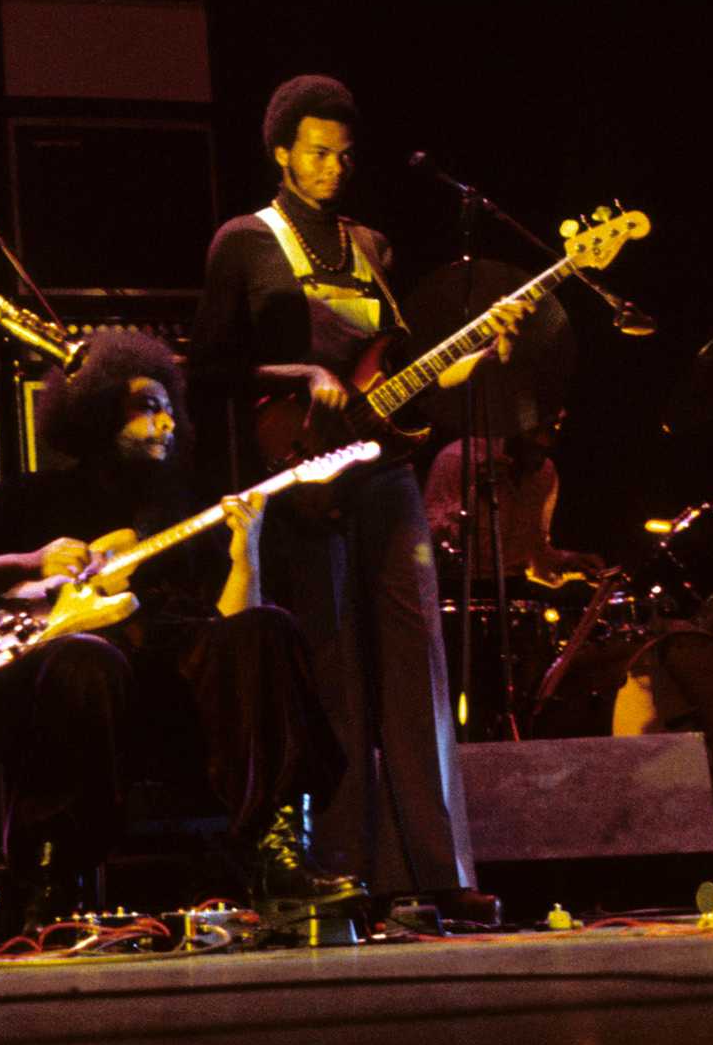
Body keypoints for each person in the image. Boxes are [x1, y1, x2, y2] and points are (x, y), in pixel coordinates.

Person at [190, 75, 525, 924]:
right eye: (315, 151)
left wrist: (476, 357)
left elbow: (404, 375)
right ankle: (343, 869)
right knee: (331, 663)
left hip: (383, 471)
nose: (332, 166)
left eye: (342, 153)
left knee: (418, 660)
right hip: (300, 477)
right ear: (279, 151)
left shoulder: (371, 245)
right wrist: (303, 373)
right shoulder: (243, 242)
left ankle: (437, 872)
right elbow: (210, 371)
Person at [0, 332, 355, 935]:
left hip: (175, 702)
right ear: (95, 414)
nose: (165, 422)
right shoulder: (36, 497)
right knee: (86, 659)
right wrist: (29, 561)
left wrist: (245, 547)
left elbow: (230, 628)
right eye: (146, 407)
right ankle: (45, 880)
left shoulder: (183, 509)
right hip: (78, 695)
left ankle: (275, 858)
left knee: (267, 626)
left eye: (169, 407)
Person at [423, 414, 612, 593]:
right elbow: (426, 537)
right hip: (458, 587)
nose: (542, 451)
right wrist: (473, 496)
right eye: (535, 439)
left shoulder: (545, 473)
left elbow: (534, 552)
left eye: (552, 431)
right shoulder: (459, 458)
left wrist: (569, 562)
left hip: (514, 586)